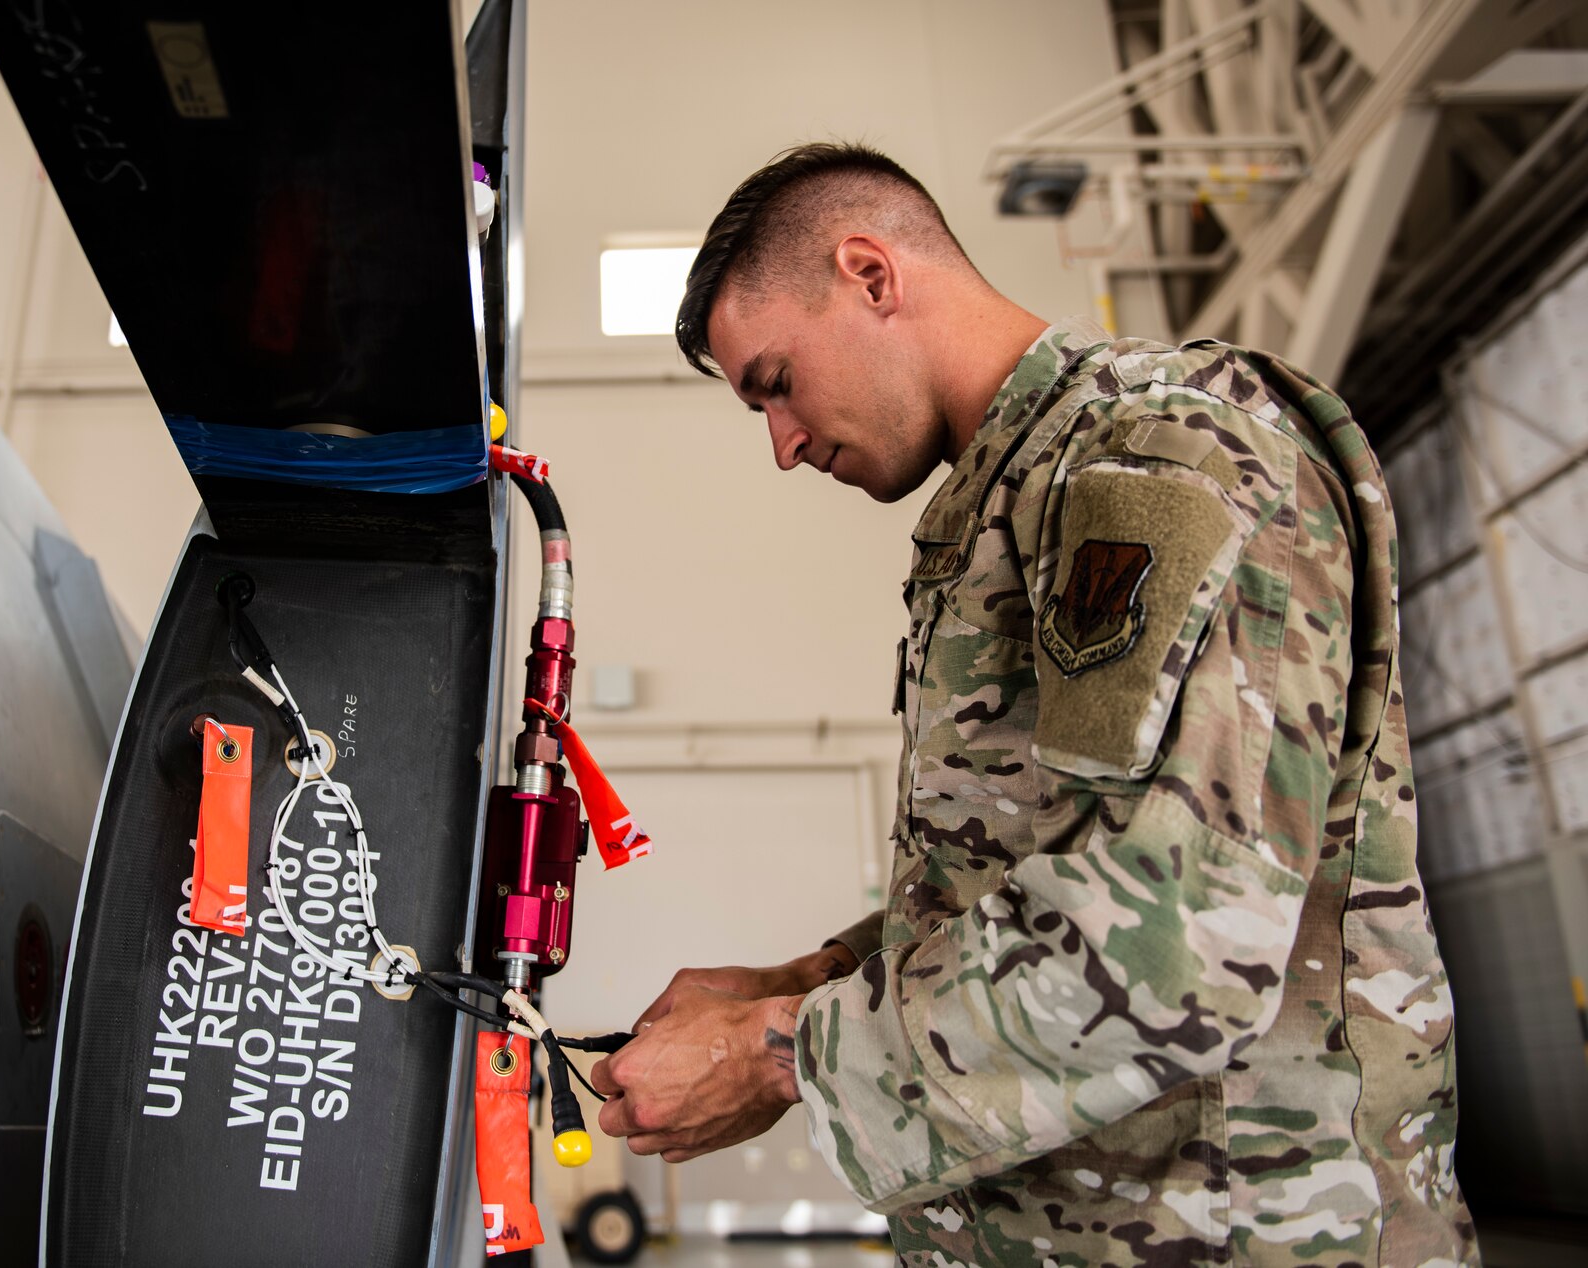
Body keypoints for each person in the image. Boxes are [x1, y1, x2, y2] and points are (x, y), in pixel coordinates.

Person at [586, 142, 1476, 1266]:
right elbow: (1035, 860)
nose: (782, 443)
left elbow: (1176, 933)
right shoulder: (1009, 496)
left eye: (774, 382)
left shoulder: (1156, 451)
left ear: (869, 273)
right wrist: (812, 976)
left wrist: (775, 1049)